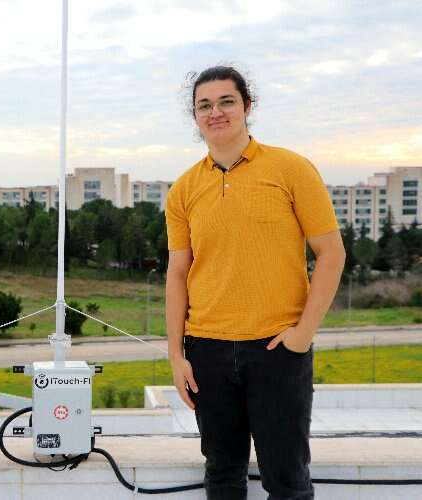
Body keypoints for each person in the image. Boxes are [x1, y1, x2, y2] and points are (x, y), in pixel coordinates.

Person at [165, 66, 346, 500]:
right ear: (195, 117)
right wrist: (176, 355)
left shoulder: (291, 169)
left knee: (286, 481)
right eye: (204, 105)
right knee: (222, 476)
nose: (216, 112)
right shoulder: (184, 189)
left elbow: (332, 254)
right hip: (206, 350)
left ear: (248, 106)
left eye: (226, 101)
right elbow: (176, 273)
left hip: (276, 350)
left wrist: (302, 336)